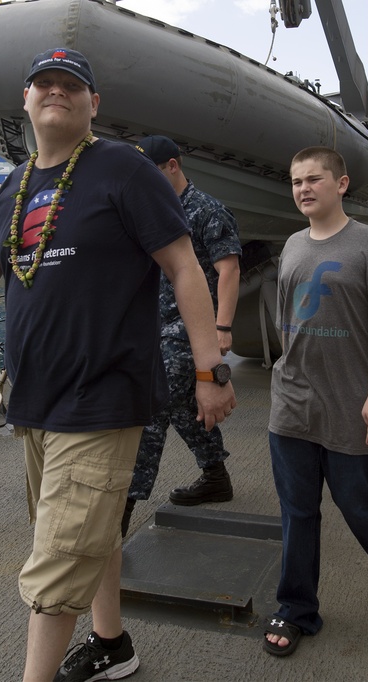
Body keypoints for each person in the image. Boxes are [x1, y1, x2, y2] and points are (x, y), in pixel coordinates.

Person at [0, 47, 236, 682]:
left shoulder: (124, 170)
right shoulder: (14, 185)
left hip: (104, 397)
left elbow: (184, 266)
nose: (56, 91)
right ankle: (112, 644)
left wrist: (209, 369)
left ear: (93, 104)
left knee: (57, 555)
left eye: (71, 84)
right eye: (44, 83)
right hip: (36, 399)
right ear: (26, 100)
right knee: (90, 531)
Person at [263, 146, 368, 658]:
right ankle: (296, 609)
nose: (304, 189)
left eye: (314, 179)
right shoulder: (291, 245)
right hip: (291, 401)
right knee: (297, 512)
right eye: (296, 182)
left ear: (341, 184)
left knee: (359, 503)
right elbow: (286, 322)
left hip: (352, 404)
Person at [123, 135, 242, 533]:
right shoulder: (147, 210)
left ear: (172, 166)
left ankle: (120, 509)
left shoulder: (207, 210)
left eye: (151, 171)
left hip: (188, 329)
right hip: (151, 326)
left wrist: (222, 327)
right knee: (183, 407)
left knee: (151, 412)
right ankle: (215, 475)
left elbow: (229, 269)